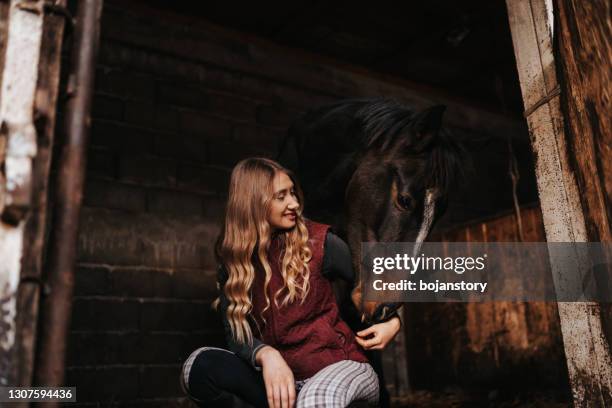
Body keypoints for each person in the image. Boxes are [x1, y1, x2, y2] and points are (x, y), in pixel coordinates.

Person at [181, 158, 401, 408]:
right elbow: (235, 334)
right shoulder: (234, 261)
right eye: (281, 196)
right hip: (283, 383)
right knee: (198, 367)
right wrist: (266, 354)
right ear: (253, 203)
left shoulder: (321, 242)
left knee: (315, 400)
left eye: (293, 193)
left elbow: (377, 279)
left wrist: (393, 321)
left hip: (342, 367)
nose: (294, 204)